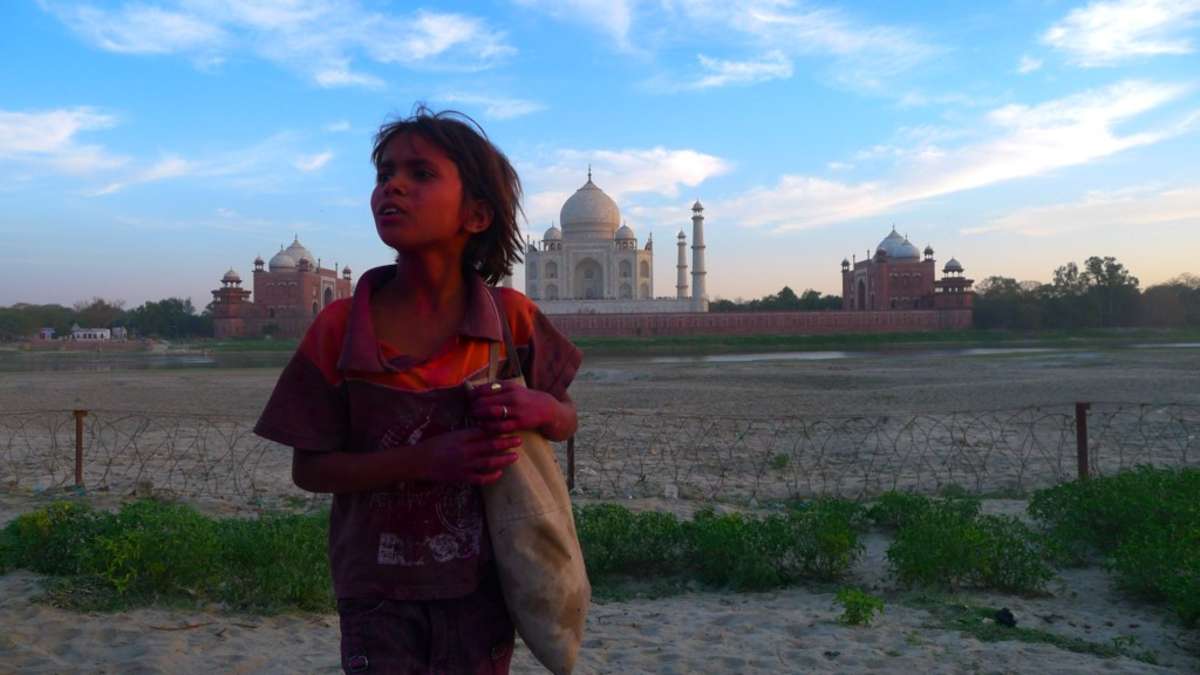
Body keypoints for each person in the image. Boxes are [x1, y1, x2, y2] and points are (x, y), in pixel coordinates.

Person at [254, 106, 582, 674]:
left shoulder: (511, 320)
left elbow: (567, 419)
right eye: (384, 173)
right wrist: (427, 460)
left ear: (476, 215)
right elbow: (310, 470)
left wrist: (541, 407)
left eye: (420, 174)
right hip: (377, 593)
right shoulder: (339, 327)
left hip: (486, 585)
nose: (393, 186)